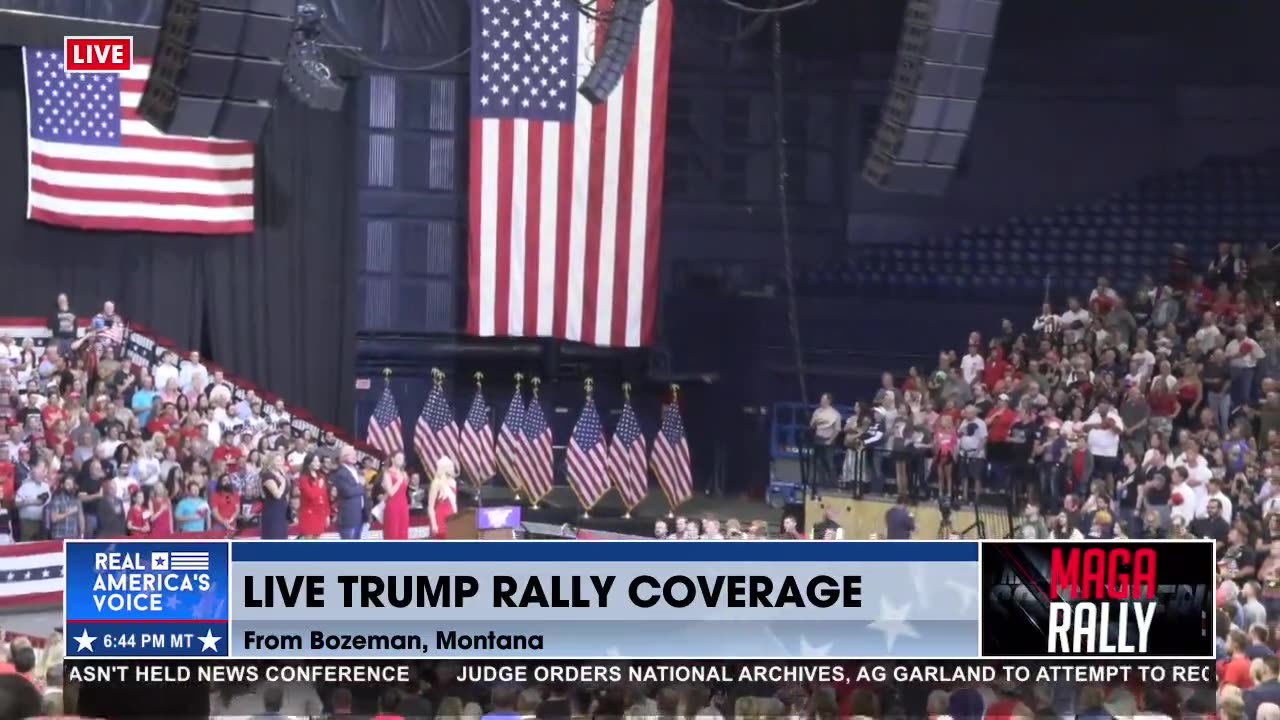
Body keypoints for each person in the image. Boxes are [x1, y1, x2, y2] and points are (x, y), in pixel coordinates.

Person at [331, 446, 366, 540]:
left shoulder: (355, 471)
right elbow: (348, 492)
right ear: (343, 457)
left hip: (359, 515)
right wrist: (361, 485)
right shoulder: (341, 473)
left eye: (355, 454)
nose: (354, 456)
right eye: (351, 454)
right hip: (348, 518)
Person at [809, 393, 841, 488]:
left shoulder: (835, 414)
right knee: (818, 462)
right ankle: (822, 483)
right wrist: (814, 422)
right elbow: (812, 425)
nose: (821, 401)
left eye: (823, 399)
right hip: (818, 439)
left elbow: (837, 429)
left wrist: (831, 440)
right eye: (821, 399)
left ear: (828, 401)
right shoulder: (817, 412)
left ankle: (834, 484)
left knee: (829, 462)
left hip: (828, 439)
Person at [296, 453, 330, 538]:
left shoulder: (321, 477)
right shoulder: (304, 479)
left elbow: (325, 498)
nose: (318, 463)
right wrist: (319, 486)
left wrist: (327, 514)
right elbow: (311, 495)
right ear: (309, 463)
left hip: (320, 513)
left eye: (318, 461)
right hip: (309, 514)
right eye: (315, 461)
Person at [258, 452, 289, 540]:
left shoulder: (281, 474)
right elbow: (277, 495)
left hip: (282, 511)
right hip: (272, 511)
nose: (280, 463)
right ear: (271, 462)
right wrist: (283, 482)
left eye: (281, 460)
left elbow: (286, 493)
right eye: (277, 461)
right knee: (274, 536)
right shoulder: (267, 476)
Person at [381, 451, 410, 540]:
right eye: (399, 458)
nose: (401, 461)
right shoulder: (387, 473)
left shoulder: (404, 473)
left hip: (403, 505)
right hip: (393, 506)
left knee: (403, 531)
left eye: (402, 459)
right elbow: (391, 492)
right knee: (393, 532)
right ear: (393, 459)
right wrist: (399, 481)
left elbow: (404, 490)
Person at [428, 456, 459, 540]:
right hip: (440, 519)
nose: (452, 468)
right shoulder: (436, 483)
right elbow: (430, 507)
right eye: (450, 466)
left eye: (452, 466)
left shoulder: (453, 482)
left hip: (452, 517)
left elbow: (454, 502)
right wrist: (434, 524)